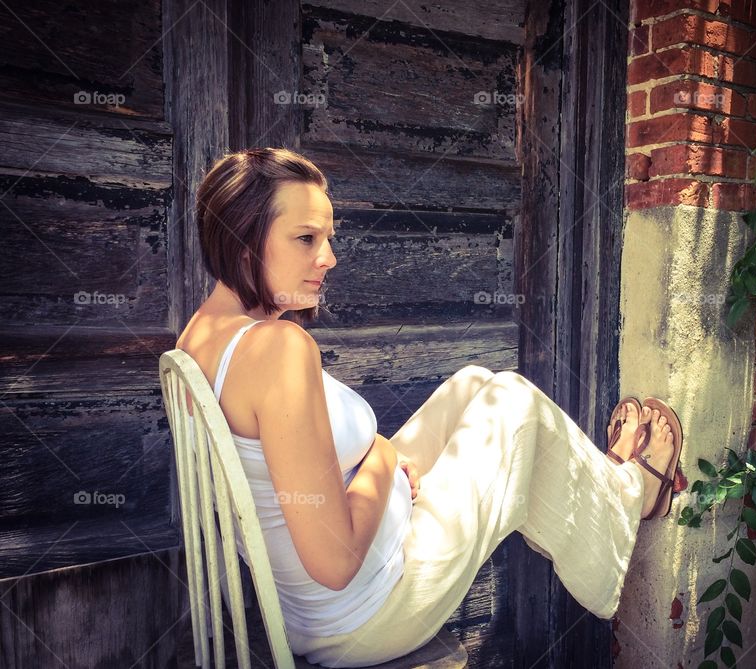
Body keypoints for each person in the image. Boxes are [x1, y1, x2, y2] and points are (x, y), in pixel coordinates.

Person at [175, 147, 685, 667]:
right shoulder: (276, 349)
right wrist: (380, 460)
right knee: (513, 402)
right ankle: (627, 493)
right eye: (306, 238)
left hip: (316, 607)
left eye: (328, 237)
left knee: (473, 385)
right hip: (367, 612)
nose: (329, 257)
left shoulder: (198, 339)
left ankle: (600, 509)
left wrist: (381, 466)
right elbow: (334, 562)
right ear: (242, 241)